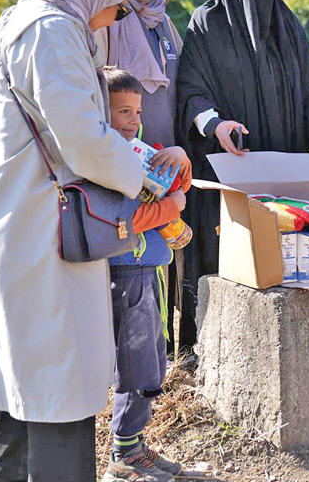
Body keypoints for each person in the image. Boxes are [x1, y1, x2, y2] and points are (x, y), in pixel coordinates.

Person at [0, 0, 144, 482]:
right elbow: (83, 139)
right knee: (59, 385)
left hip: (15, 219)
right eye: (118, 1)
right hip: (40, 228)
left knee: (25, 382)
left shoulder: (25, 22)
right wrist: (142, 176)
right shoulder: (54, 32)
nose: (117, 14)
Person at [176, 0, 309, 337]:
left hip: (282, 167)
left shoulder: (285, 23)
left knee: (282, 263)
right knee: (228, 265)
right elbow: (192, 91)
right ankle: (215, 347)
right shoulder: (207, 25)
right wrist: (216, 125)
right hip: (232, 171)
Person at [99, 0, 189, 359]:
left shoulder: (163, 22)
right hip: (123, 170)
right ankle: (129, 377)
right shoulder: (109, 21)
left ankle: (157, 361)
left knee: (160, 260)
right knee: (131, 269)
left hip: (162, 163)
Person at [102, 67, 192, 482]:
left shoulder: (139, 150)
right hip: (129, 270)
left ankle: (134, 444)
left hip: (148, 270)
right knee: (137, 361)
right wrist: (173, 206)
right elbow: (134, 217)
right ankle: (125, 451)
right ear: (100, 113)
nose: (133, 120)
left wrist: (180, 156)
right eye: (123, 111)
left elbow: (177, 180)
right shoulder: (105, 161)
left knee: (152, 355)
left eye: (136, 110)